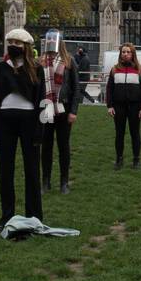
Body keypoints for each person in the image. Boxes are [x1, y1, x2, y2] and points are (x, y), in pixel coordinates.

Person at [0, 29, 44, 230]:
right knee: (6, 171)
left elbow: (41, 101)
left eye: (17, 43)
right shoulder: (1, 68)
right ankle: (6, 217)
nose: (13, 45)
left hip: (29, 124)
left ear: (26, 46)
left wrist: (40, 129)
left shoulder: (36, 69)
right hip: (5, 124)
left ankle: (35, 217)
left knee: (32, 171)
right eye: (10, 41)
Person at [39, 30, 79, 194]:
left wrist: (73, 111)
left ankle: (64, 182)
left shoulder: (69, 61)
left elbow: (76, 89)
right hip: (46, 108)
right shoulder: (40, 62)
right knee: (46, 147)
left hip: (64, 109)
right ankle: (46, 182)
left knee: (63, 147)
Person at [107, 43, 141, 169]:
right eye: (123, 52)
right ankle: (119, 160)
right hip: (118, 107)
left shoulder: (140, 70)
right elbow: (109, 89)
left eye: (128, 52)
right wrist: (109, 106)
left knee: (135, 133)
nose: (125, 54)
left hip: (135, 107)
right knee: (119, 133)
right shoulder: (114, 69)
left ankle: (136, 160)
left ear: (132, 54)